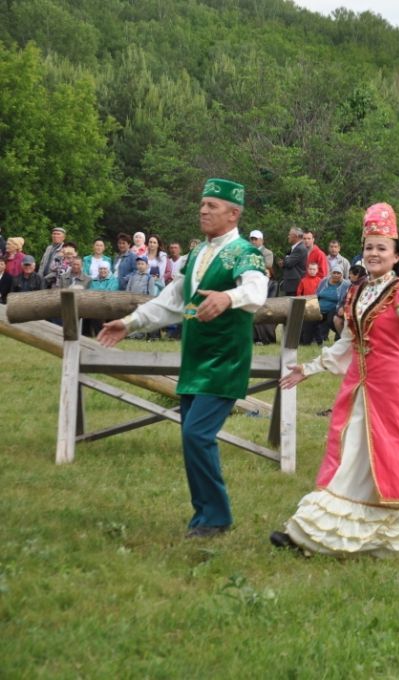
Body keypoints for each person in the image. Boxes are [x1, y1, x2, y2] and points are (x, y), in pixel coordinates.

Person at [98, 178, 268, 538]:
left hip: (225, 360)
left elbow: (256, 289)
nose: (203, 210)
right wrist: (128, 323)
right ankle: (204, 515)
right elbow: (171, 302)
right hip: (194, 360)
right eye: (202, 204)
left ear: (233, 213)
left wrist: (228, 298)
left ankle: (216, 517)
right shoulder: (196, 257)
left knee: (196, 433)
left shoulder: (244, 253)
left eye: (212, 206)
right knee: (191, 436)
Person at [271, 202, 399, 558]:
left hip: (389, 390)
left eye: (382, 248)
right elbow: (348, 343)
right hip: (357, 387)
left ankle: (321, 535)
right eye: (369, 246)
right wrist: (308, 369)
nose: (374, 253)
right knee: (348, 454)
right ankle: (315, 532)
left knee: (378, 457)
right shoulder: (358, 291)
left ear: (396, 255)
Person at [314, 265, 349, 344]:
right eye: (334, 273)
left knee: (331, 319)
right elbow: (316, 294)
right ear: (331, 273)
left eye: (338, 273)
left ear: (342, 274)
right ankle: (315, 339)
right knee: (310, 317)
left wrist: (342, 307)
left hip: (335, 308)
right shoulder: (324, 281)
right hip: (320, 306)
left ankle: (340, 337)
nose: (336, 275)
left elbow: (346, 299)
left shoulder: (346, 284)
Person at [279, 227, 308, 296]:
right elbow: (289, 262)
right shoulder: (296, 247)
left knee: (293, 305)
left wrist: (286, 258)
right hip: (292, 284)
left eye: (289, 235)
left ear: (296, 236)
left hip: (294, 285)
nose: (288, 236)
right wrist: (286, 260)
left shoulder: (300, 248)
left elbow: (289, 263)